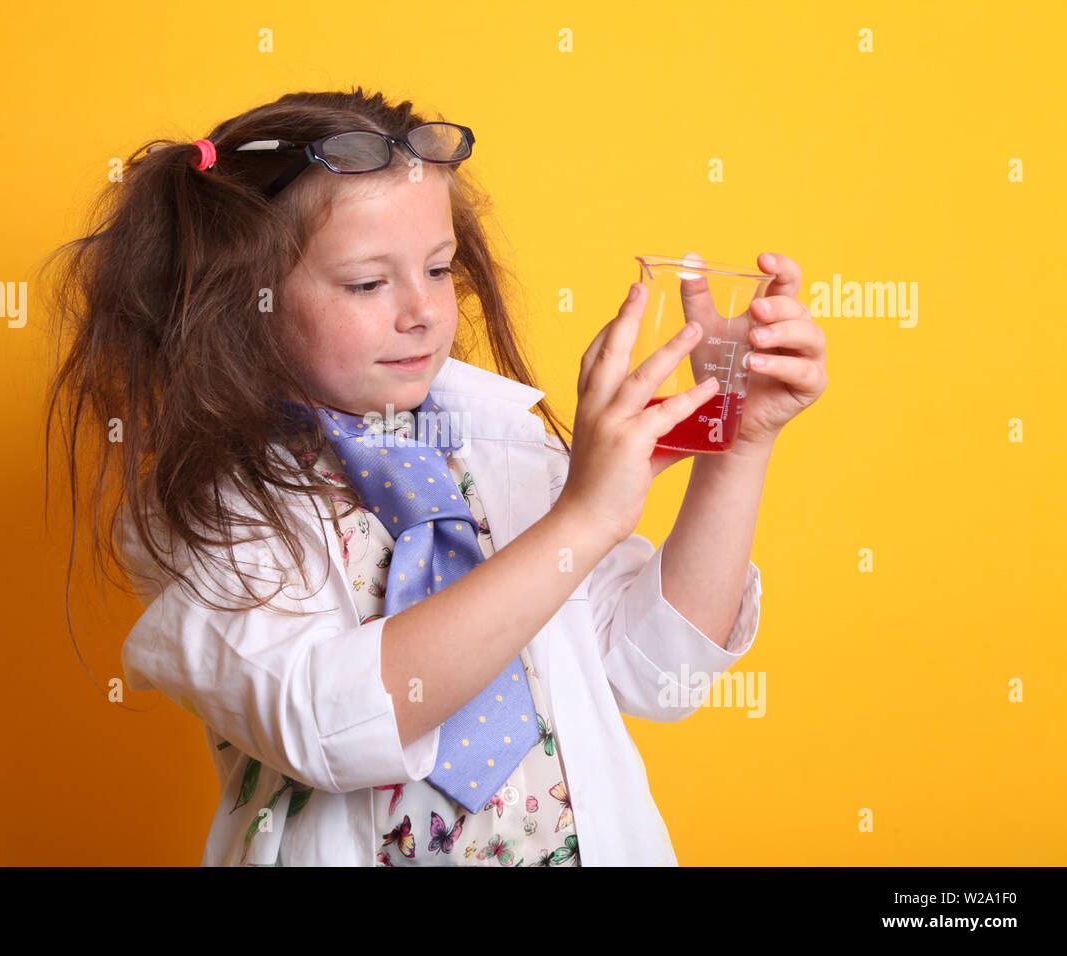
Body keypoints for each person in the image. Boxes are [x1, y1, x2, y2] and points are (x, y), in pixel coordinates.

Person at [43, 87, 828, 866]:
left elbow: (660, 672)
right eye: (366, 283)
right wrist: (583, 519)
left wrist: (741, 439)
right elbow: (323, 725)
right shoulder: (208, 509)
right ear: (244, 300)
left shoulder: (503, 442)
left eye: (440, 269)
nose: (421, 310)